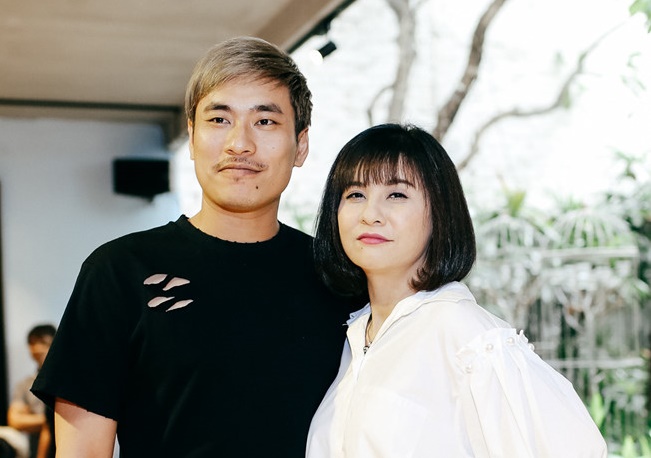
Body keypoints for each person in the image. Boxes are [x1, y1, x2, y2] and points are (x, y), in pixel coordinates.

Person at [31, 36, 357, 457]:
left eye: (265, 121)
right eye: (219, 119)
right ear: (191, 136)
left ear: (302, 145)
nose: (239, 144)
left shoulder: (338, 278)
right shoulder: (119, 271)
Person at [306, 123, 608, 457]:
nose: (370, 214)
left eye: (397, 195)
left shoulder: (465, 333)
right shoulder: (356, 335)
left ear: (440, 213)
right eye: (355, 195)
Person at [7, 325, 55, 458]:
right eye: (33, 343)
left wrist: (34, 418)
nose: (37, 348)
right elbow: (15, 420)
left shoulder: (65, 379)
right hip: (35, 448)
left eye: (43, 342)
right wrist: (49, 420)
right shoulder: (25, 384)